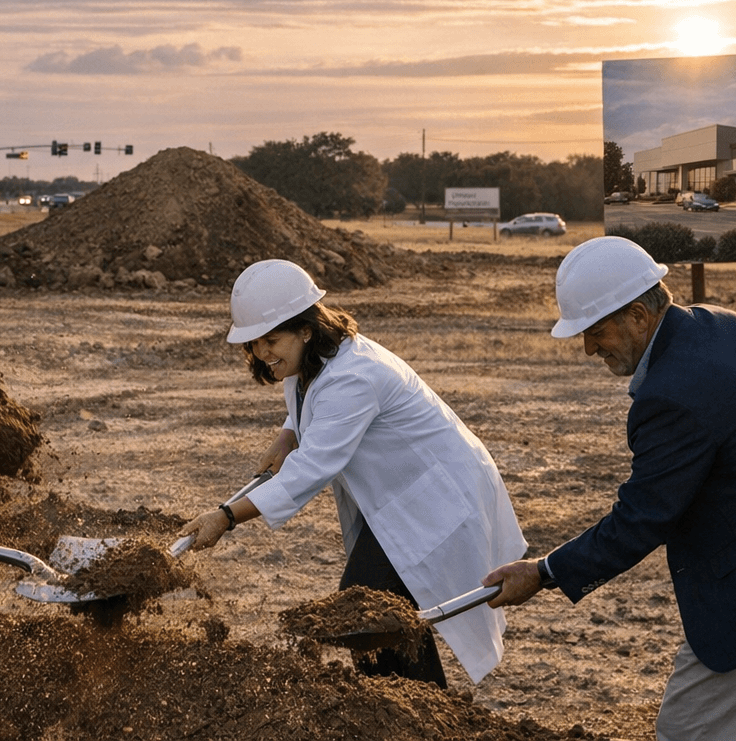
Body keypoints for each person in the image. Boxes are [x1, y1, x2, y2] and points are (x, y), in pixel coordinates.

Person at [484, 236, 736, 740]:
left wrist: (545, 572)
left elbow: (643, 518)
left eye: (595, 332)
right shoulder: (718, 324)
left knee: (688, 730)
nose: (590, 348)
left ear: (638, 315)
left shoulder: (673, 392)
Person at [181, 259, 526, 686]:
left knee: (364, 612)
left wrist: (227, 515)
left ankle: (415, 705)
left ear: (306, 329)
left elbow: (311, 468)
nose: (262, 353)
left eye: (271, 340)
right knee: (376, 615)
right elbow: (313, 407)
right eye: (254, 343)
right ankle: (410, 702)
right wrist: (288, 434)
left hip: (439, 500)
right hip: (407, 500)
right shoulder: (315, 362)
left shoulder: (354, 376)